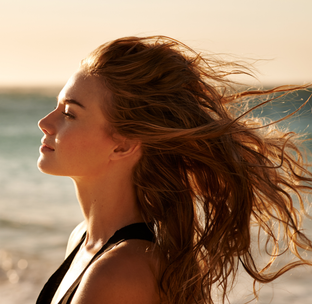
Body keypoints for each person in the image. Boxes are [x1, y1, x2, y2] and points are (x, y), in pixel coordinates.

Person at [35, 36, 312, 304]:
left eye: (70, 113)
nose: (45, 122)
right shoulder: (83, 240)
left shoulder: (119, 273)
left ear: (123, 145)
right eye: (57, 107)